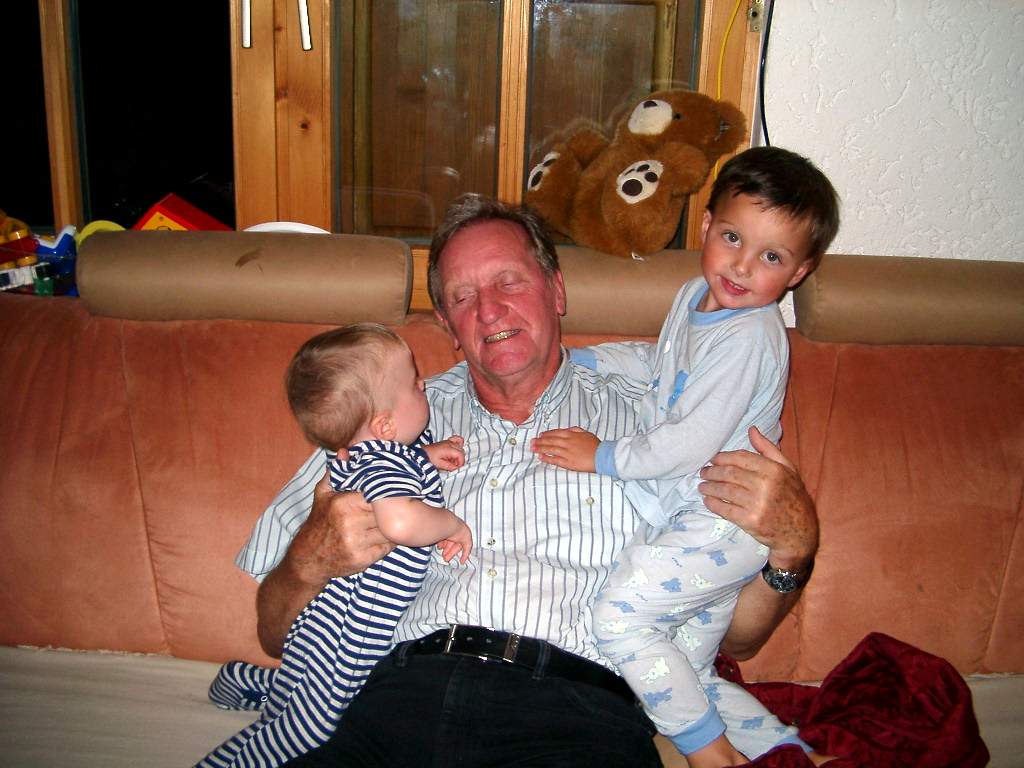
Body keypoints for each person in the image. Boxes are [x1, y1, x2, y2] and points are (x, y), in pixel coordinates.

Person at [235, 193, 821, 767]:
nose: (489, 311)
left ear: (556, 290)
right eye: (463, 296)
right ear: (446, 324)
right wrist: (307, 562)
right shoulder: (378, 422)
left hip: (579, 714)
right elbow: (273, 635)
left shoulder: (660, 421)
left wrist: (793, 545)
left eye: (509, 282)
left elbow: (736, 640)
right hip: (398, 697)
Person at [530, 146, 839, 767]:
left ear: (799, 272)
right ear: (706, 226)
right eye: (733, 238)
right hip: (695, 518)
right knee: (689, 669)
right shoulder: (696, 295)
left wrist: (603, 456)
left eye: (771, 257)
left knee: (618, 620)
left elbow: (689, 441)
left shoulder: (750, 336)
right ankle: (785, 751)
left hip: (721, 522)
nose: (742, 266)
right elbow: (661, 362)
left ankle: (711, 757)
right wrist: (586, 359)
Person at [199, 323, 471, 767]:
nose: (424, 385)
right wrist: (451, 525)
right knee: (309, 727)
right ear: (384, 424)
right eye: (413, 383)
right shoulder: (386, 464)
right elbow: (400, 521)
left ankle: (246, 681)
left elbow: (386, 470)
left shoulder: (360, 454)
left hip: (324, 617)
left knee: (303, 676)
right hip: (356, 632)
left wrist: (425, 457)